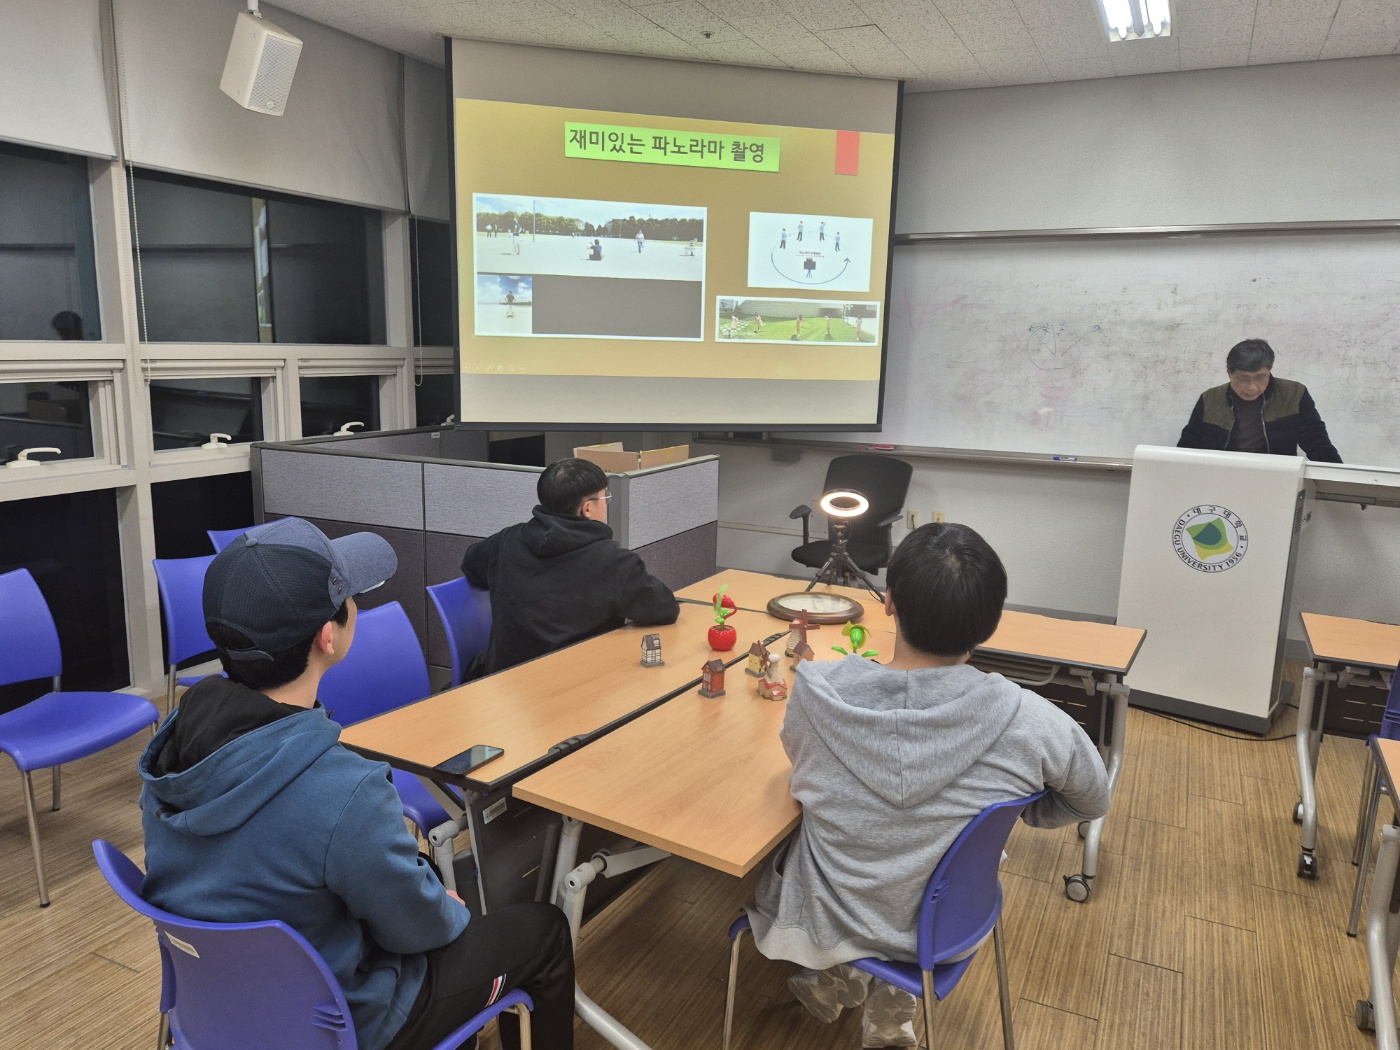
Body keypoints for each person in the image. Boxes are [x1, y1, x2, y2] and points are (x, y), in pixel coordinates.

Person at [139, 517, 575, 1050]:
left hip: (221, 1010)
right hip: (345, 1021)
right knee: (543, 929)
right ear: (329, 636)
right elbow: (418, 929)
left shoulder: (174, 745)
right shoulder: (344, 788)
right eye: (350, 597)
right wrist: (442, 907)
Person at [746, 522, 1111, 1048]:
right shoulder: (1034, 722)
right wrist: (1022, 807)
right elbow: (1092, 799)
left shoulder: (817, 692)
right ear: (992, 621)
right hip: (944, 924)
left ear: (889, 602)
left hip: (829, 913)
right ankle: (885, 994)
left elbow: (797, 761)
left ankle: (844, 971)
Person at [461, 457, 679, 678]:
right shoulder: (614, 562)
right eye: (605, 497)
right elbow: (664, 609)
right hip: (575, 686)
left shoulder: (506, 541)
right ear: (587, 508)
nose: (606, 503)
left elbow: (470, 565)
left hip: (503, 682)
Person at [1178, 339, 1341, 462]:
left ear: (1269, 371)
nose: (1252, 387)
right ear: (1229, 373)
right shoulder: (1210, 399)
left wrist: (1340, 482)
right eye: (1243, 378)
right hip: (1222, 472)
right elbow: (1189, 444)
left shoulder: (1294, 394)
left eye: (1260, 378)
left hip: (1276, 474)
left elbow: (1317, 442)